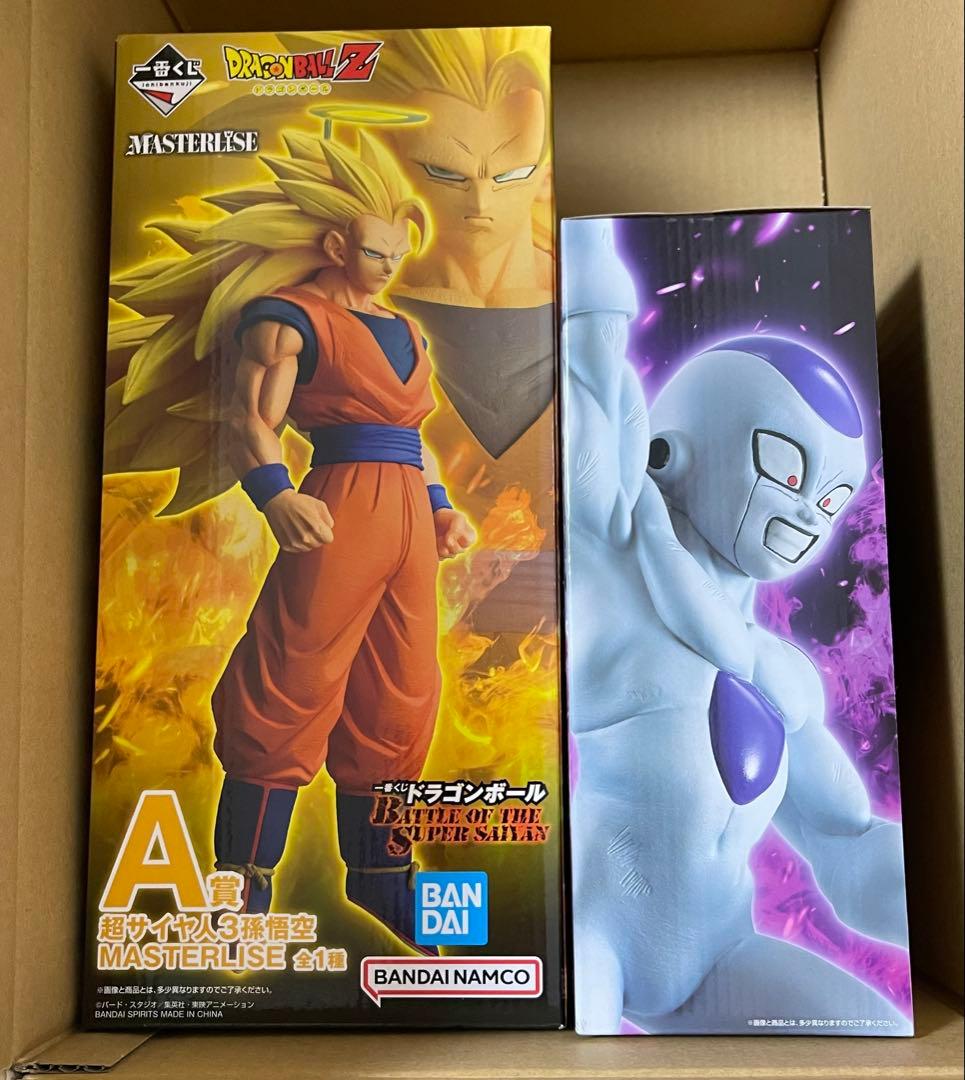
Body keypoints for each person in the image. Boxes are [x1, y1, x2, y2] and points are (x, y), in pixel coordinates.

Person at [105, 131, 474, 952]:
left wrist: (442, 506)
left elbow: (414, 434)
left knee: (403, 691)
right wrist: (275, 496)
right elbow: (250, 420)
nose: (387, 267)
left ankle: (381, 875)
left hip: (408, 516)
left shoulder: (405, 330)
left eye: (397, 254)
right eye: (374, 253)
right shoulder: (288, 319)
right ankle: (243, 883)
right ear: (337, 246)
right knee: (290, 676)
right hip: (338, 506)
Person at [563, 218, 911, 1034]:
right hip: (591, 945)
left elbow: (851, 850)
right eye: (784, 468)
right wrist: (575, 244)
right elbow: (589, 368)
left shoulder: (780, 676)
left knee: (875, 1036)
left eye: (830, 497)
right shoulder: (617, 565)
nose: (808, 513)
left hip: (718, 955)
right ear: (670, 454)